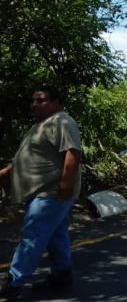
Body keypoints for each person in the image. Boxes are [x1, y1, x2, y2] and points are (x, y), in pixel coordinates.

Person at [0, 87, 82, 299]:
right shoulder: (39, 126)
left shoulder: (62, 121)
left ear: (56, 102)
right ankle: (61, 275)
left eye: (41, 100)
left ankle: (14, 282)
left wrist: (65, 184)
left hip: (51, 192)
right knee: (56, 235)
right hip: (43, 193)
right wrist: (6, 173)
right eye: (33, 101)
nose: (34, 104)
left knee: (32, 235)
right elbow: (26, 157)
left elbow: (73, 152)